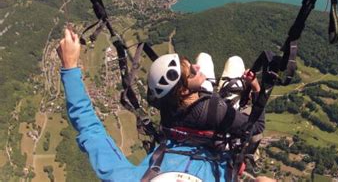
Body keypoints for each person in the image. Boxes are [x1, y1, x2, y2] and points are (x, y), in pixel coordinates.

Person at [57, 27, 271, 182]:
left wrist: (70, 68)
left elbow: (91, 131)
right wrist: (257, 90)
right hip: (218, 141)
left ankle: (207, 90)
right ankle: (209, 90)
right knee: (229, 63)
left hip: (196, 133)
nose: (194, 68)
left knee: (208, 61)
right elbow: (89, 130)